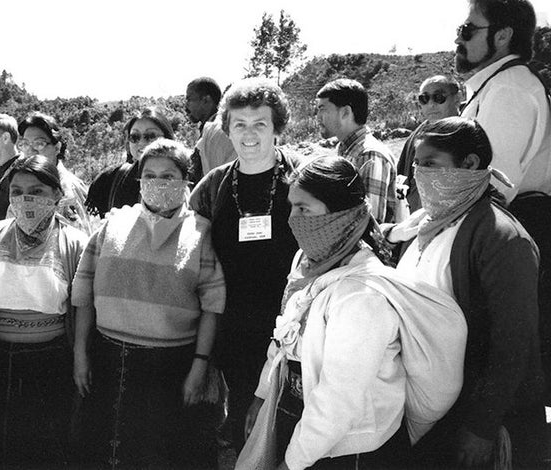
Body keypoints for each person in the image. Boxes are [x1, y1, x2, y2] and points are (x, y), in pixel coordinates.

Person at [238, 156, 466, 470]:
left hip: (349, 450)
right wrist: (264, 394)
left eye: (304, 209)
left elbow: (337, 401)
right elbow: (284, 336)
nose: (293, 219)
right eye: (291, 207)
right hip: (307, 431)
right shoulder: (308, 263)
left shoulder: (361, 297)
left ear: (341, 214)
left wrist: (292, 463)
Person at [385, 117, 546, 468]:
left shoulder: (501, 238)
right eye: (415, 164)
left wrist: (481, 426)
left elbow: (513, 341)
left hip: (473, 417)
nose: (418, 174)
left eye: (430, 163)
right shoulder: (426, 225)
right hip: (428, 409)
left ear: (469, 165)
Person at [72, 139, 226, 469]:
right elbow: (83, 294)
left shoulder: (200, 234)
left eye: (169, 175)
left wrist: (199, 366)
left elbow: (213, 305)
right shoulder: (112, 225)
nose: (158, 183)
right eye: (149, 174)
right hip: (108, 359)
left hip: (170, 366)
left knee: (158, 454)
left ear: (187, 180)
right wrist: (81, 354)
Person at [189, 77, 303, 453]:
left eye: (260, 124)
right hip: (234, 329)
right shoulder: (213, 186)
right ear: (228, 129)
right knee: (243, 425)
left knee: (293, 431)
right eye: (240, 124)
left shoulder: (303, 177)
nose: (249, 134)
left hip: (295, 328)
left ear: (277, 127)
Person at [455, 0, 551, 400]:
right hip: (503, 242)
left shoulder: (509, 91)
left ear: (502, 36)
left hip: (507, 247)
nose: (458, 39)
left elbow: (490, 190)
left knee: (506, 380)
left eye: (467, 29)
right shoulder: (498, 86)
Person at [0, 155, 87, 467]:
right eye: (16, 191)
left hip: (49, 362)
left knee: (40, 449)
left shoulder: (74, 243)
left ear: (57, 195)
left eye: (37, 191)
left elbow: (83, 307)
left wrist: (79, 359)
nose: (24, 199)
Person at [315, 78, 397, 223]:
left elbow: (370, 224)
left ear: (345, 112)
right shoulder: (345, 149)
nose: (318, 117)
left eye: (323, 109)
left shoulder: (369, 155)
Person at [85, 106, 174, 218]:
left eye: (150, 136)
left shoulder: (185, 180)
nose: (141, 143)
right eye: (135, 137)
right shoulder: (107, 180)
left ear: (168, 138)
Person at [18, 111, 93, 234]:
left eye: (39, 144)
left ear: (57, 147)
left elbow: (82, 242)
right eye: (25, 144)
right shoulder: (22, 184)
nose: (30, 150)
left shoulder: (68, 189)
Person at [396, 75, 462, 212]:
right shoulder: (415, 139)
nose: (431, 104)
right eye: (424, 99)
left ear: (457, 98)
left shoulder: (468, 135)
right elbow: (401, 181)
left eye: (438, 97)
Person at [186, 77, 237, 184]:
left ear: (206, 100)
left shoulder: (218, 131)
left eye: (189, 99)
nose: (186, 106)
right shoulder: (209, 128)